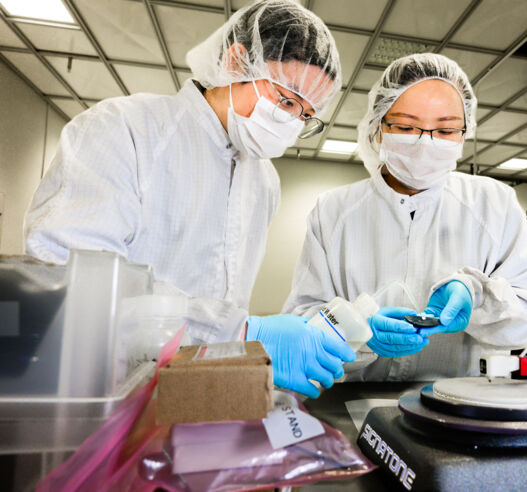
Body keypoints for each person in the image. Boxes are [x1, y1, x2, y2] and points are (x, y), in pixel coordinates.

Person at [24, 0, 353, 398]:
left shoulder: (263, 179)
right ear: (236, 63)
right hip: (102, 396)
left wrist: (230, 348)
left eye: (305, 114)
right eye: (286, 100)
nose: (290, 123)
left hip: (202, 394)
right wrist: (240, 332)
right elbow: (70, 277)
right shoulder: (125, 129)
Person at [282, 53, 527, 381]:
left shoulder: (493, 203)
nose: (425, 142)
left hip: (463, 403)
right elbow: (304, 317)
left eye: (445, 130)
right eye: (406, 126)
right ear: (378, 128)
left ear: (464, 133)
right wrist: (359, 329)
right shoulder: (334, 211)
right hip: (354, 400)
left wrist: (479, 296)